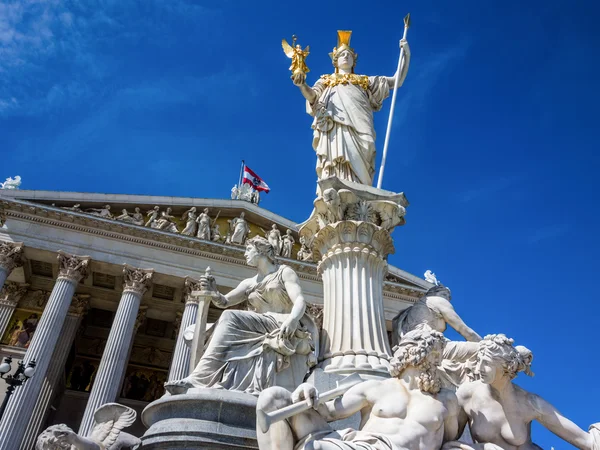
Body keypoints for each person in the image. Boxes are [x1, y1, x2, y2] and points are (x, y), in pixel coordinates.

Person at [256, 328, 460, 450]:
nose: (437, 361)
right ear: (411, 354)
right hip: (361, 445)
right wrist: (307, 390)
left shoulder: (447, 400)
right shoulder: (376, 388)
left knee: (318, 448)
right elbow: (328, 412)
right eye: (432, 354)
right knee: (271, 398)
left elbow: (450, 442)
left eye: (438, 355)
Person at [165, 236, 318, 395]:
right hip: (261, 323)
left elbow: (299, 299)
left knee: (230, 317)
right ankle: (203, 378)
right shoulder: (249, 283)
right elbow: (225, 301)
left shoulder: (284, 272)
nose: (244, 254)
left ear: (261, 251)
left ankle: (199, 378)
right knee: (198, 328)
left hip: (282, 323)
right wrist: (213, 291)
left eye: (248, 249)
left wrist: (293, 320)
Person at [292, 31, 410, 187]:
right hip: (335, 124)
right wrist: (301, 85)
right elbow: (313, 96)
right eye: (342, 55)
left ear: (354, 60)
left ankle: (362, 190)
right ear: (335, 61)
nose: (346, 57)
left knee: (367, 144)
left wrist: (406, 54)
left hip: (361, 122)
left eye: (349, 54)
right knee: (337, 156)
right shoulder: (327, 80)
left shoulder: (365, 81)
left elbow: (397, 81)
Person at [444, 334, 600, 450]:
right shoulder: (467, 394)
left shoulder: (531, 403)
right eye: (479, 362)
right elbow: (447, 443)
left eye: (486, 364)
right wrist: (483, 448)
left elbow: (586, 442)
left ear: (506, 368)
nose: (478, 369)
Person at [392, 284, 482, 388]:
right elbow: (463, 329)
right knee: (481, 350)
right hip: (431, 345)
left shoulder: (410, 311)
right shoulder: (437, 300)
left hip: (413, 347)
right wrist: (486, 344)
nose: (448, 299)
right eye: (447, 296)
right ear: (441, 293)